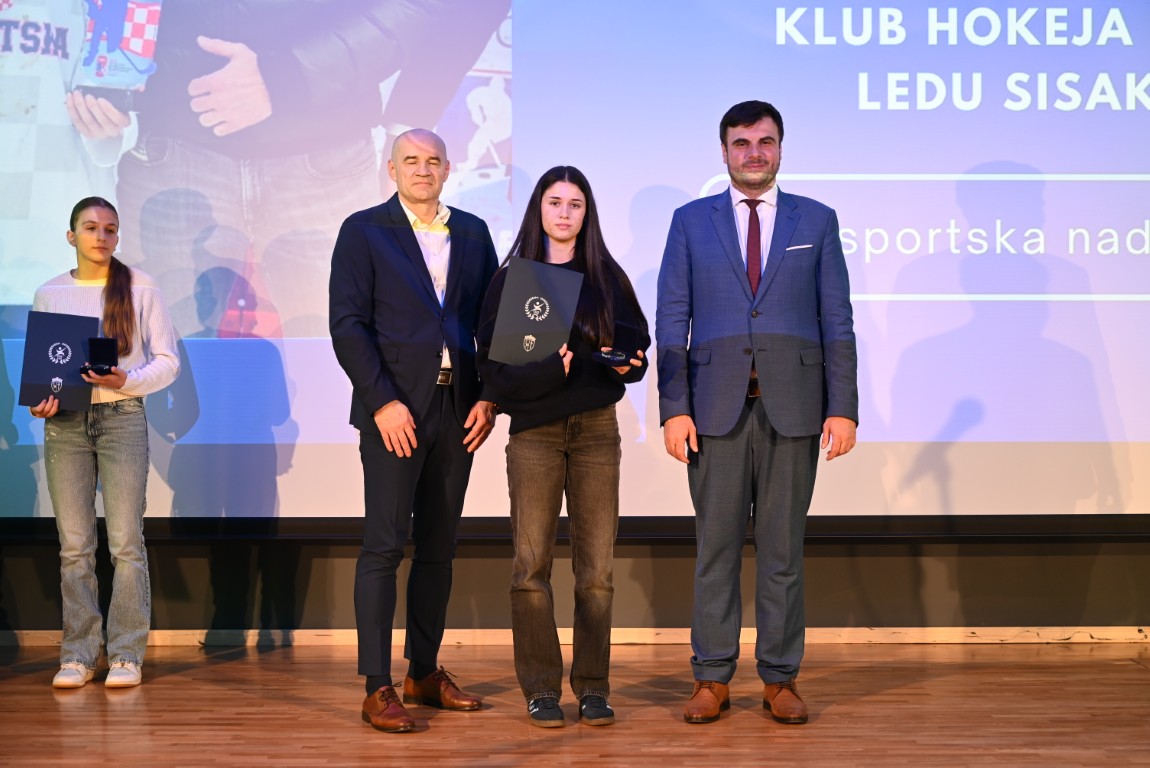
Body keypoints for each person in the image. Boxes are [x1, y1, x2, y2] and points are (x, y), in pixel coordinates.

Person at [656, 101, 858, 725]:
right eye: (741, 143)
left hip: (793, 410)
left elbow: (837, 320)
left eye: (764, 142)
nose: (753, 153)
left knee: (782, 554)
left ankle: (780, 679)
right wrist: (673, 408)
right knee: (714, 552)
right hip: (712, 414)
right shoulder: (690, 221)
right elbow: (672, 320)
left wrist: (843, 407)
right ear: (724, 152)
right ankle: (711, 677)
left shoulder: (816, 219)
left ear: (780, 148)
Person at [329, 128, 499, 733]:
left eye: (432, 161)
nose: (422, 170)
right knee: (383, 546)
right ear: (392, 169)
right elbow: (348, 325)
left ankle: (422, 672)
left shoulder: (474, 232)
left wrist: (491, 396)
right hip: (394, 412)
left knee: (439, 547)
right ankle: (377, 685)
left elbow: (493, 323)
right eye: (411, 160)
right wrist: (382, 402)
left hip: (459, 409)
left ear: (448, 169)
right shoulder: (363, 230)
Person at [477, 166, 650, 728]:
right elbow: (495, 371)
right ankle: (541, 689)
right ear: (539, 208)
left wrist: (628, 364)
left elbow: (637, 349)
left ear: (586, 213)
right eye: (555, 202)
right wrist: (552, 370)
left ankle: (593, 687)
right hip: (535, 433)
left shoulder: (606, 275)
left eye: (575, 204)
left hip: (597, 430)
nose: (565, 213)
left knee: (596, 572)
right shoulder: (513, 279)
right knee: (531, 568)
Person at [30, 196, 180, 689]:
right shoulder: (50, 292)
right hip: (66, 424)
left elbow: (168, 361)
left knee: (125, 543)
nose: (101, 236)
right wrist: (41, 401)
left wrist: (126, 381)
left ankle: (126, 654)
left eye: (110, 229)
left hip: (122, 419)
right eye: (91, 227)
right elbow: (46, 368)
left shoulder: (140, 287)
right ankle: (77, 654)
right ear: (71, 235)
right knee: (74, 545)